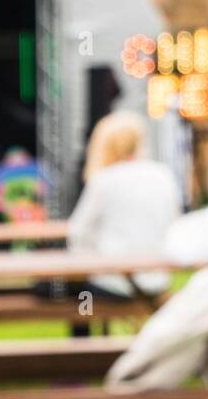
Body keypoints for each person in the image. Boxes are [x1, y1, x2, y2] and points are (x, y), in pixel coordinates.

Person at [67, 110, 181, 299]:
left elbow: (78, 233)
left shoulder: (103, 180)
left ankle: (84, 326)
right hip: (156, 280)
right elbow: (175, 223)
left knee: (63, 293)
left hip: (114, 284)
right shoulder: (163, 175)